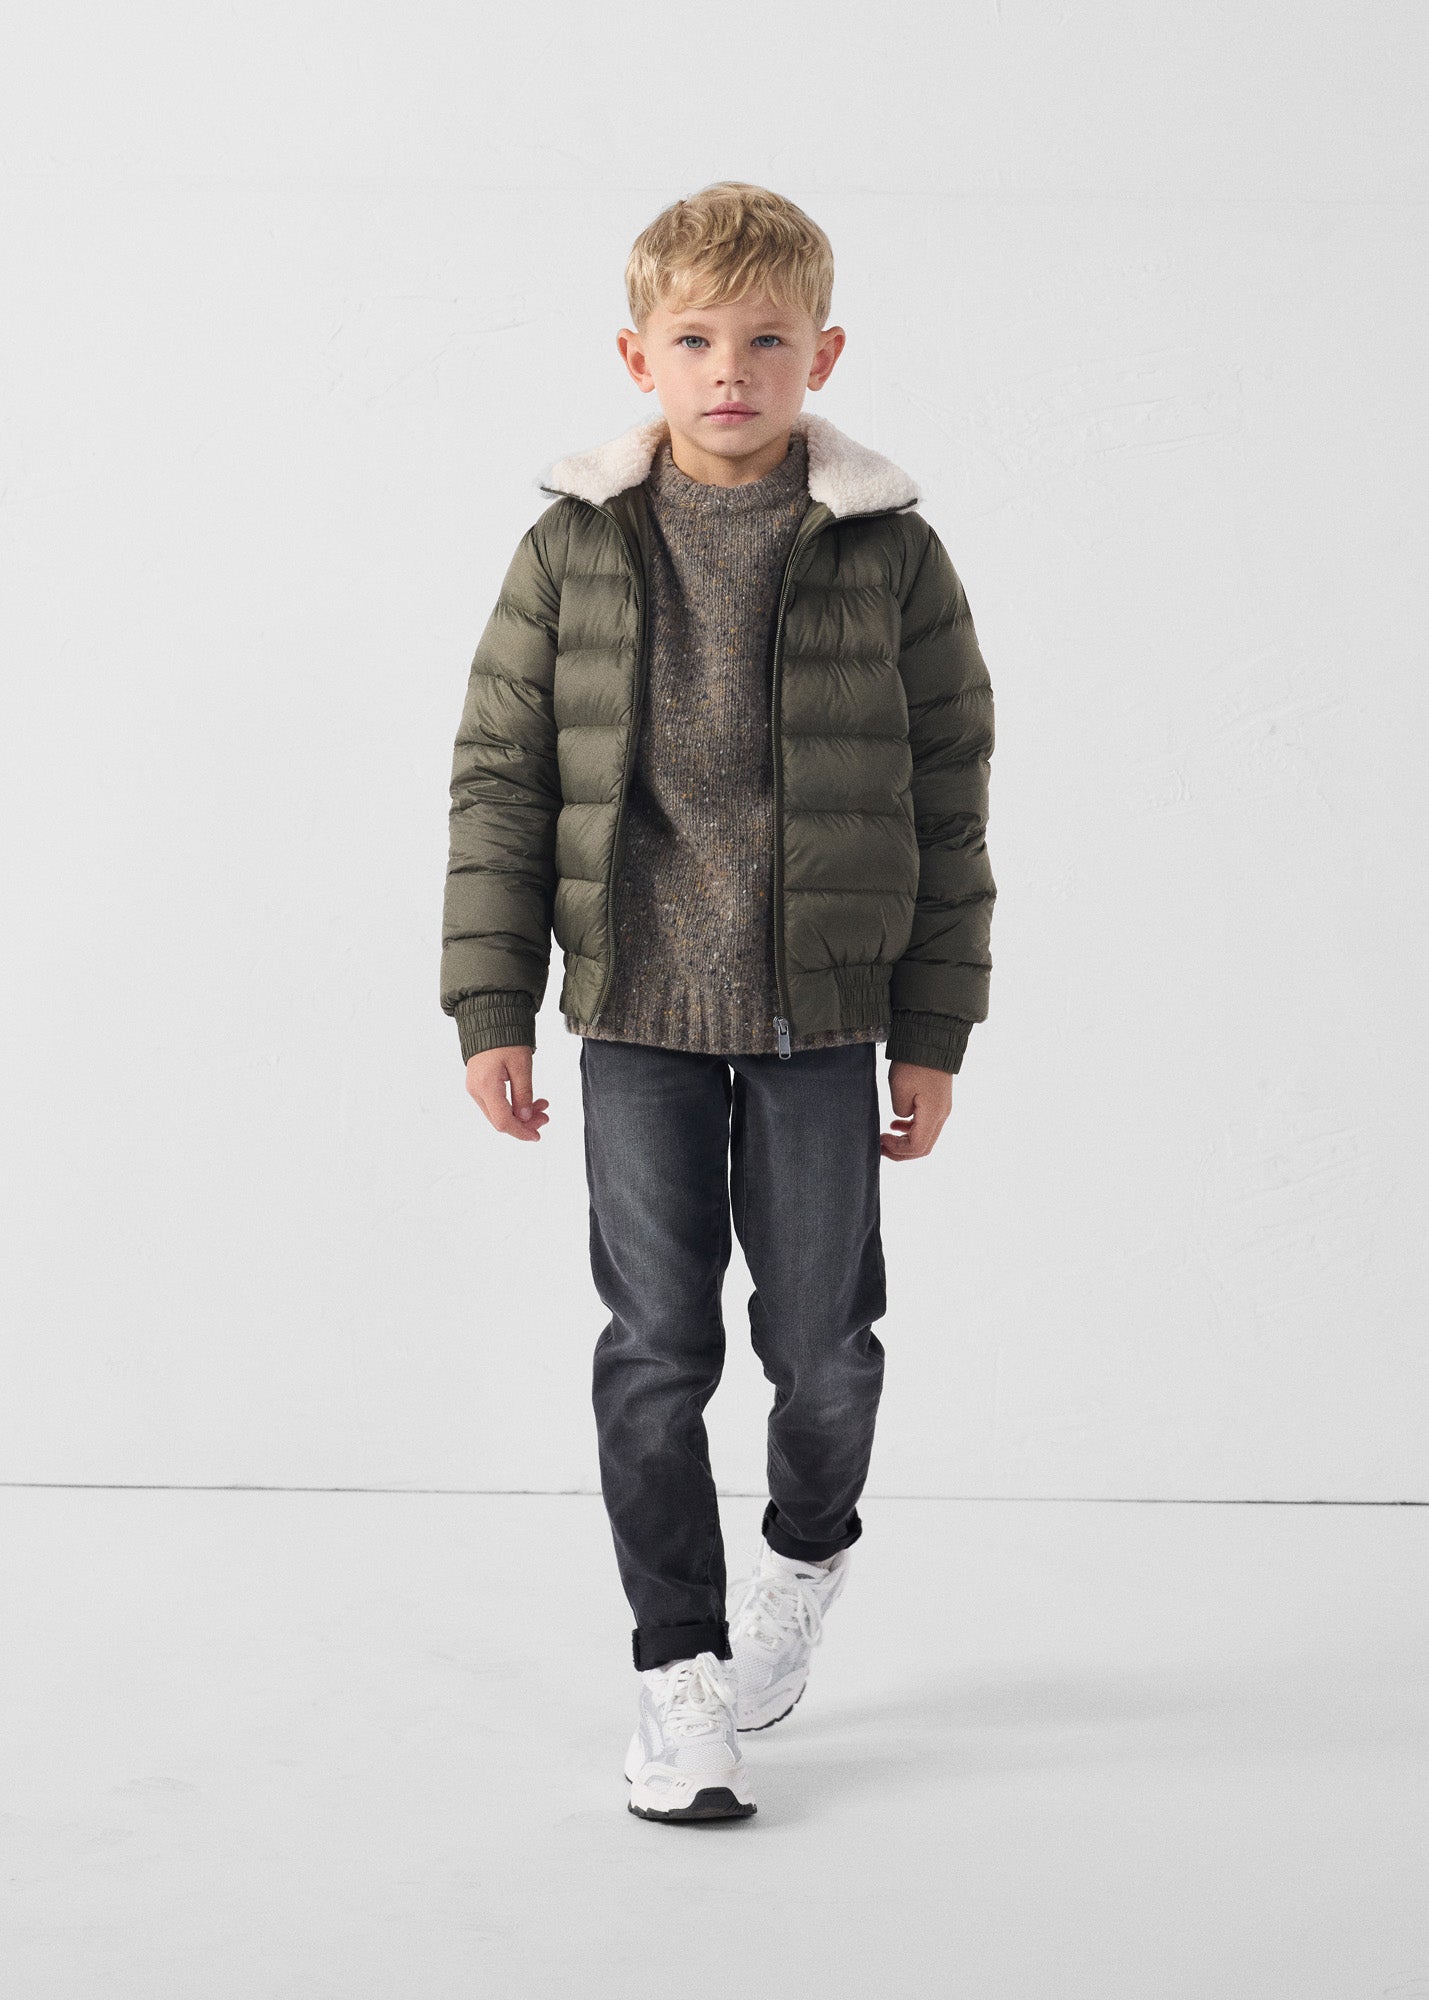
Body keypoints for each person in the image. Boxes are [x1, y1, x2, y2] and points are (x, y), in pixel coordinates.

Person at [439, 181, 997, 1823]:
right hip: (634, 1018)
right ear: (639, 358)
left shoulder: (891, 554)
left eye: (766, 339)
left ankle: (803, 1559)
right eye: (694, 340)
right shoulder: (570, 547)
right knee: (656, 1348)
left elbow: (949, 796)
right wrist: (490, 1004)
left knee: (822, 1352)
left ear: (824, 351)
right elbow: (499, 781)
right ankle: (675, 1667)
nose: (730, 370)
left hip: (821, 1020)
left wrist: (933, 1032)